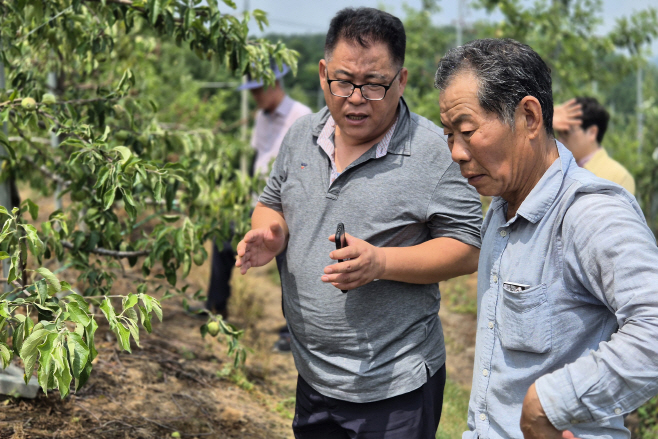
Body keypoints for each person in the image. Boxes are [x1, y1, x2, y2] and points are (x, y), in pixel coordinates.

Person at [236, 7, 483, 438]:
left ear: (401, 81)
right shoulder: (301, 135)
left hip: (393, 387)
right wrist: (271, 231)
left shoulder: (433, 153)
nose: (354, 97)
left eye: (373, 85)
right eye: (344, 81)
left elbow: (467, 246)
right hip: (314, 376)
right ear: (322, 73)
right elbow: (272, 200)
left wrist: (381, 263)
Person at [435, 38, 658, 439]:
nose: (456, 152)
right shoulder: (502, 209)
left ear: (530, 117)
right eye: (449, 133)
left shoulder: (589, 214)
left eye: (467, 130)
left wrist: (550, 403)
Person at [205, 63, 311, 332]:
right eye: (252, 92)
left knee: (295, 264)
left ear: (273, 85)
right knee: (222, 240)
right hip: (259, 201)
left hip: (289, 209)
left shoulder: (302, 117)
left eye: (258, 90)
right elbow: (258, 157)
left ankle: (295, 330)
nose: (255, 97)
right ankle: (216, 307)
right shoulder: (262, 117)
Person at [554, 96, 635, 194]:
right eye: (558, 132)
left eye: (566, 132)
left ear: (592, 132)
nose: (560, 139)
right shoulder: (557, 169)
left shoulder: (619, 177)